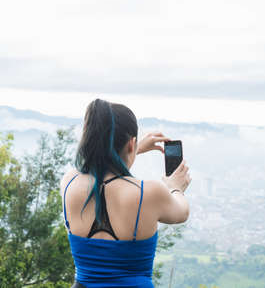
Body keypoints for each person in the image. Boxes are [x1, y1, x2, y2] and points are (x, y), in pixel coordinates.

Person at [60, 99, 191, 288]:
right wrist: (175, 186)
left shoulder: (69, 182)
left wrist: (133, 149)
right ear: (131, 144)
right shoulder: (149, 192)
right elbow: (181, 212)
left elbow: (103, 169)